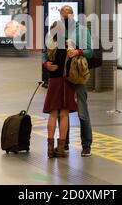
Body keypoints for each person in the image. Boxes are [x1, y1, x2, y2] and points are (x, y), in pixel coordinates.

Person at [44, 5, 94, 157]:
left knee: (82, 112)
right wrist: (45, 64)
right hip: (61, 78)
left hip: (77, 75)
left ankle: (86, 145)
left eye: (68, 15)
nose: (65, 18)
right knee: (61, 111)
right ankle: (63, 144)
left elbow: (90, 52)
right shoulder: (56, 30)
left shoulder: (83, 30)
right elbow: (45, 52)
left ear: (73, 15)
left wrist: (77, 51)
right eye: (63, 15)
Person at [42, 21, 78, 159]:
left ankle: (50, 149)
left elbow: (45, 60)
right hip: (66, 81)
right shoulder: (69, 43)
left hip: (53, 81)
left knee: (52, 114)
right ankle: (61, 149)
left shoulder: (49, 44)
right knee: (64, 115)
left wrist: (46, 65)